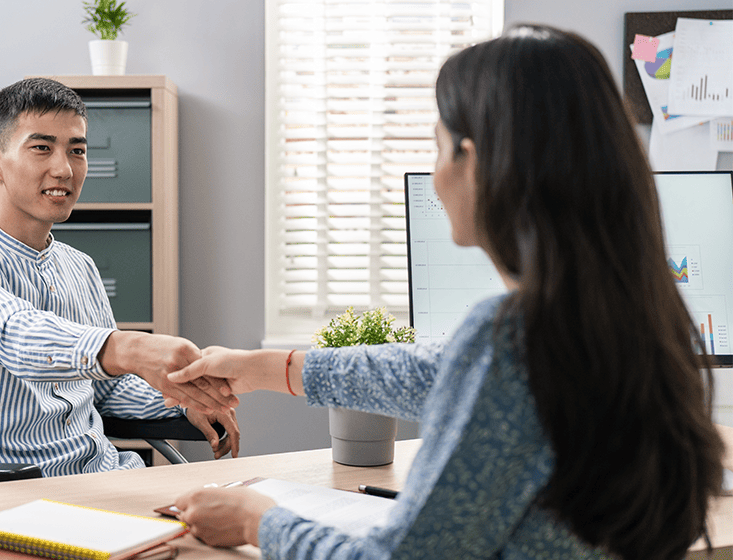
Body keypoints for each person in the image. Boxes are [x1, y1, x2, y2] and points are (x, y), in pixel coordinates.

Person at [168, 25, 725, 560]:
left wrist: (255, 520)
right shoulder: (626, 318)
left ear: (477, 159)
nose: (434, 173)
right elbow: (435, 372)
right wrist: (263, 368)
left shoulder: (513, 337)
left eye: (438, 146)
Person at [0, 77, 240, 477]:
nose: (64, 169)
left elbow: (108, 390)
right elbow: (16, 333)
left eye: (77, 151)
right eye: (41, 148)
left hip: (102, 475)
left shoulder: (80, 267)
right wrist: (129, 348)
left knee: (240, 516)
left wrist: (181, 398)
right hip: (11, 494)